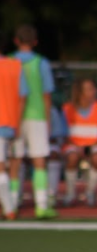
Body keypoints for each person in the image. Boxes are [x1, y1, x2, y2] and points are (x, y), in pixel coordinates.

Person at [9, 24, 57, 219]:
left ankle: (11, 202)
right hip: (36, 116)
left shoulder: (8, 62)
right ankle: (41, 204)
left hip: (12, 117)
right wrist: (47, 120)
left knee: (15, 160)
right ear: (35, 42)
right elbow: (47, 95)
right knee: (39, 160)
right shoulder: (41, 63)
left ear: (16, 41)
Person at [61, 79, 97, 207]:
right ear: (79, 92)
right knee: (72, 158)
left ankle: (90, 192)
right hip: (73, 146)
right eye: (89, 89)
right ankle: (70, 194)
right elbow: (64, 134)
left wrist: (89, 147)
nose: (94, 92)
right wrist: (78, 147)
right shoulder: (67, 108)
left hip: (93, 146)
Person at [0, 38, 27, 220]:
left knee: (1, 168)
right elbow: (23, 97)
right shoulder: (15, 66)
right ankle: (10, 206)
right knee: (9, 166)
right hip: (8, 123)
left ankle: (9, 208)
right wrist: (17, 122)